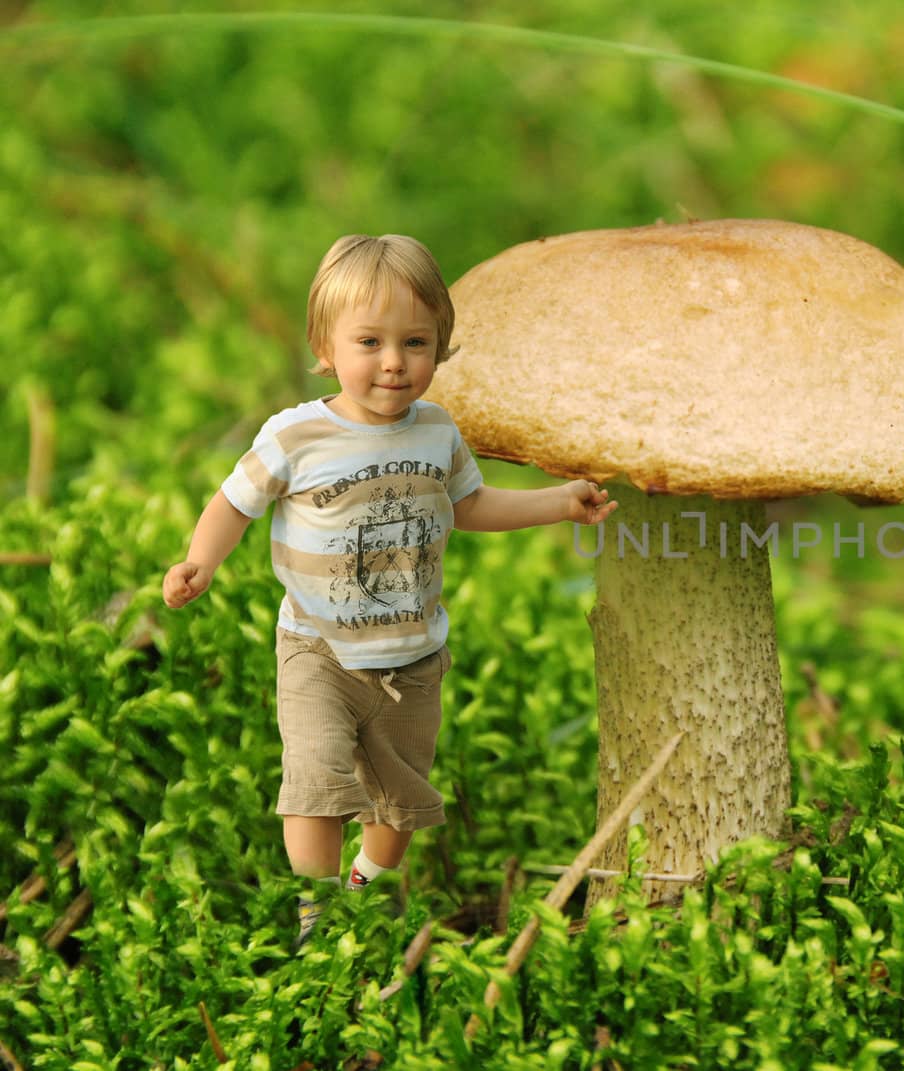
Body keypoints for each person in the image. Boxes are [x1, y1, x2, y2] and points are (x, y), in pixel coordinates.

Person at [162, 233, 616, 945]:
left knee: (398, 810)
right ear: (325, 344)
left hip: (413, 659)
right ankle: (316, 912)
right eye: (369, 341)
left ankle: (360, 889)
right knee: (315, 783)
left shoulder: (438, 431)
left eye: (417, 341)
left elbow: (470, 507)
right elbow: (233, 503)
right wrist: (201, 560)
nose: (395, 362)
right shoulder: (296, 435)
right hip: (319, 648)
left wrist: (557, 503)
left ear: (441, 346)